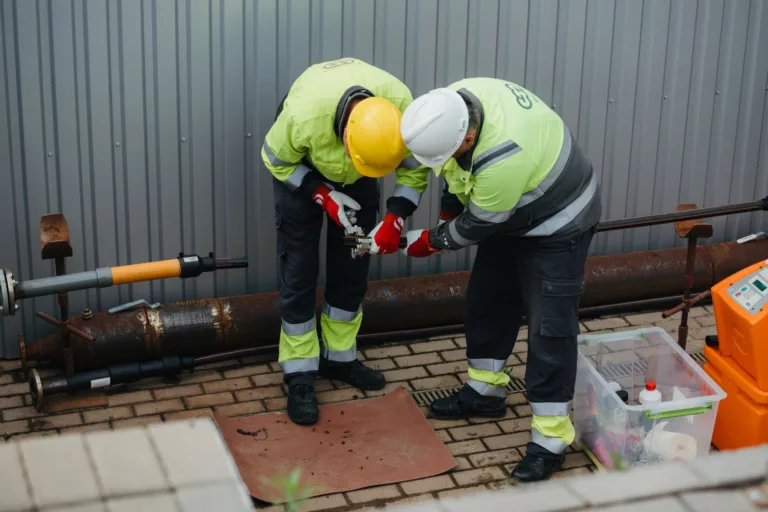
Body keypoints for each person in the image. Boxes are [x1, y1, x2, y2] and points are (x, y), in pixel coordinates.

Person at [392, 78, 602, 481]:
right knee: (487, 300)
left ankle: (551, 439)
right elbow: (455, 174)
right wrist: (446, 213)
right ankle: (485, 393)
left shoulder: (502, 155)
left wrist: (430, 240)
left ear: (469, 137)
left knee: (550, 330)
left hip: (559, 222)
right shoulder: (451, 106)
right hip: (514, 211)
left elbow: (478, 224)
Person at [261, 57, 429, 426]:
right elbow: (275, 159)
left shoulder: (400, 111)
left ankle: (339, 357)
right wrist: (321, 194)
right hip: (302, 166)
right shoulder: (303, 117)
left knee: (354, 258)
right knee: (300, 266)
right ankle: (300, 372)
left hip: (362, 166)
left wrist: (394, 218)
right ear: (347, 138)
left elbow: (415, 172)